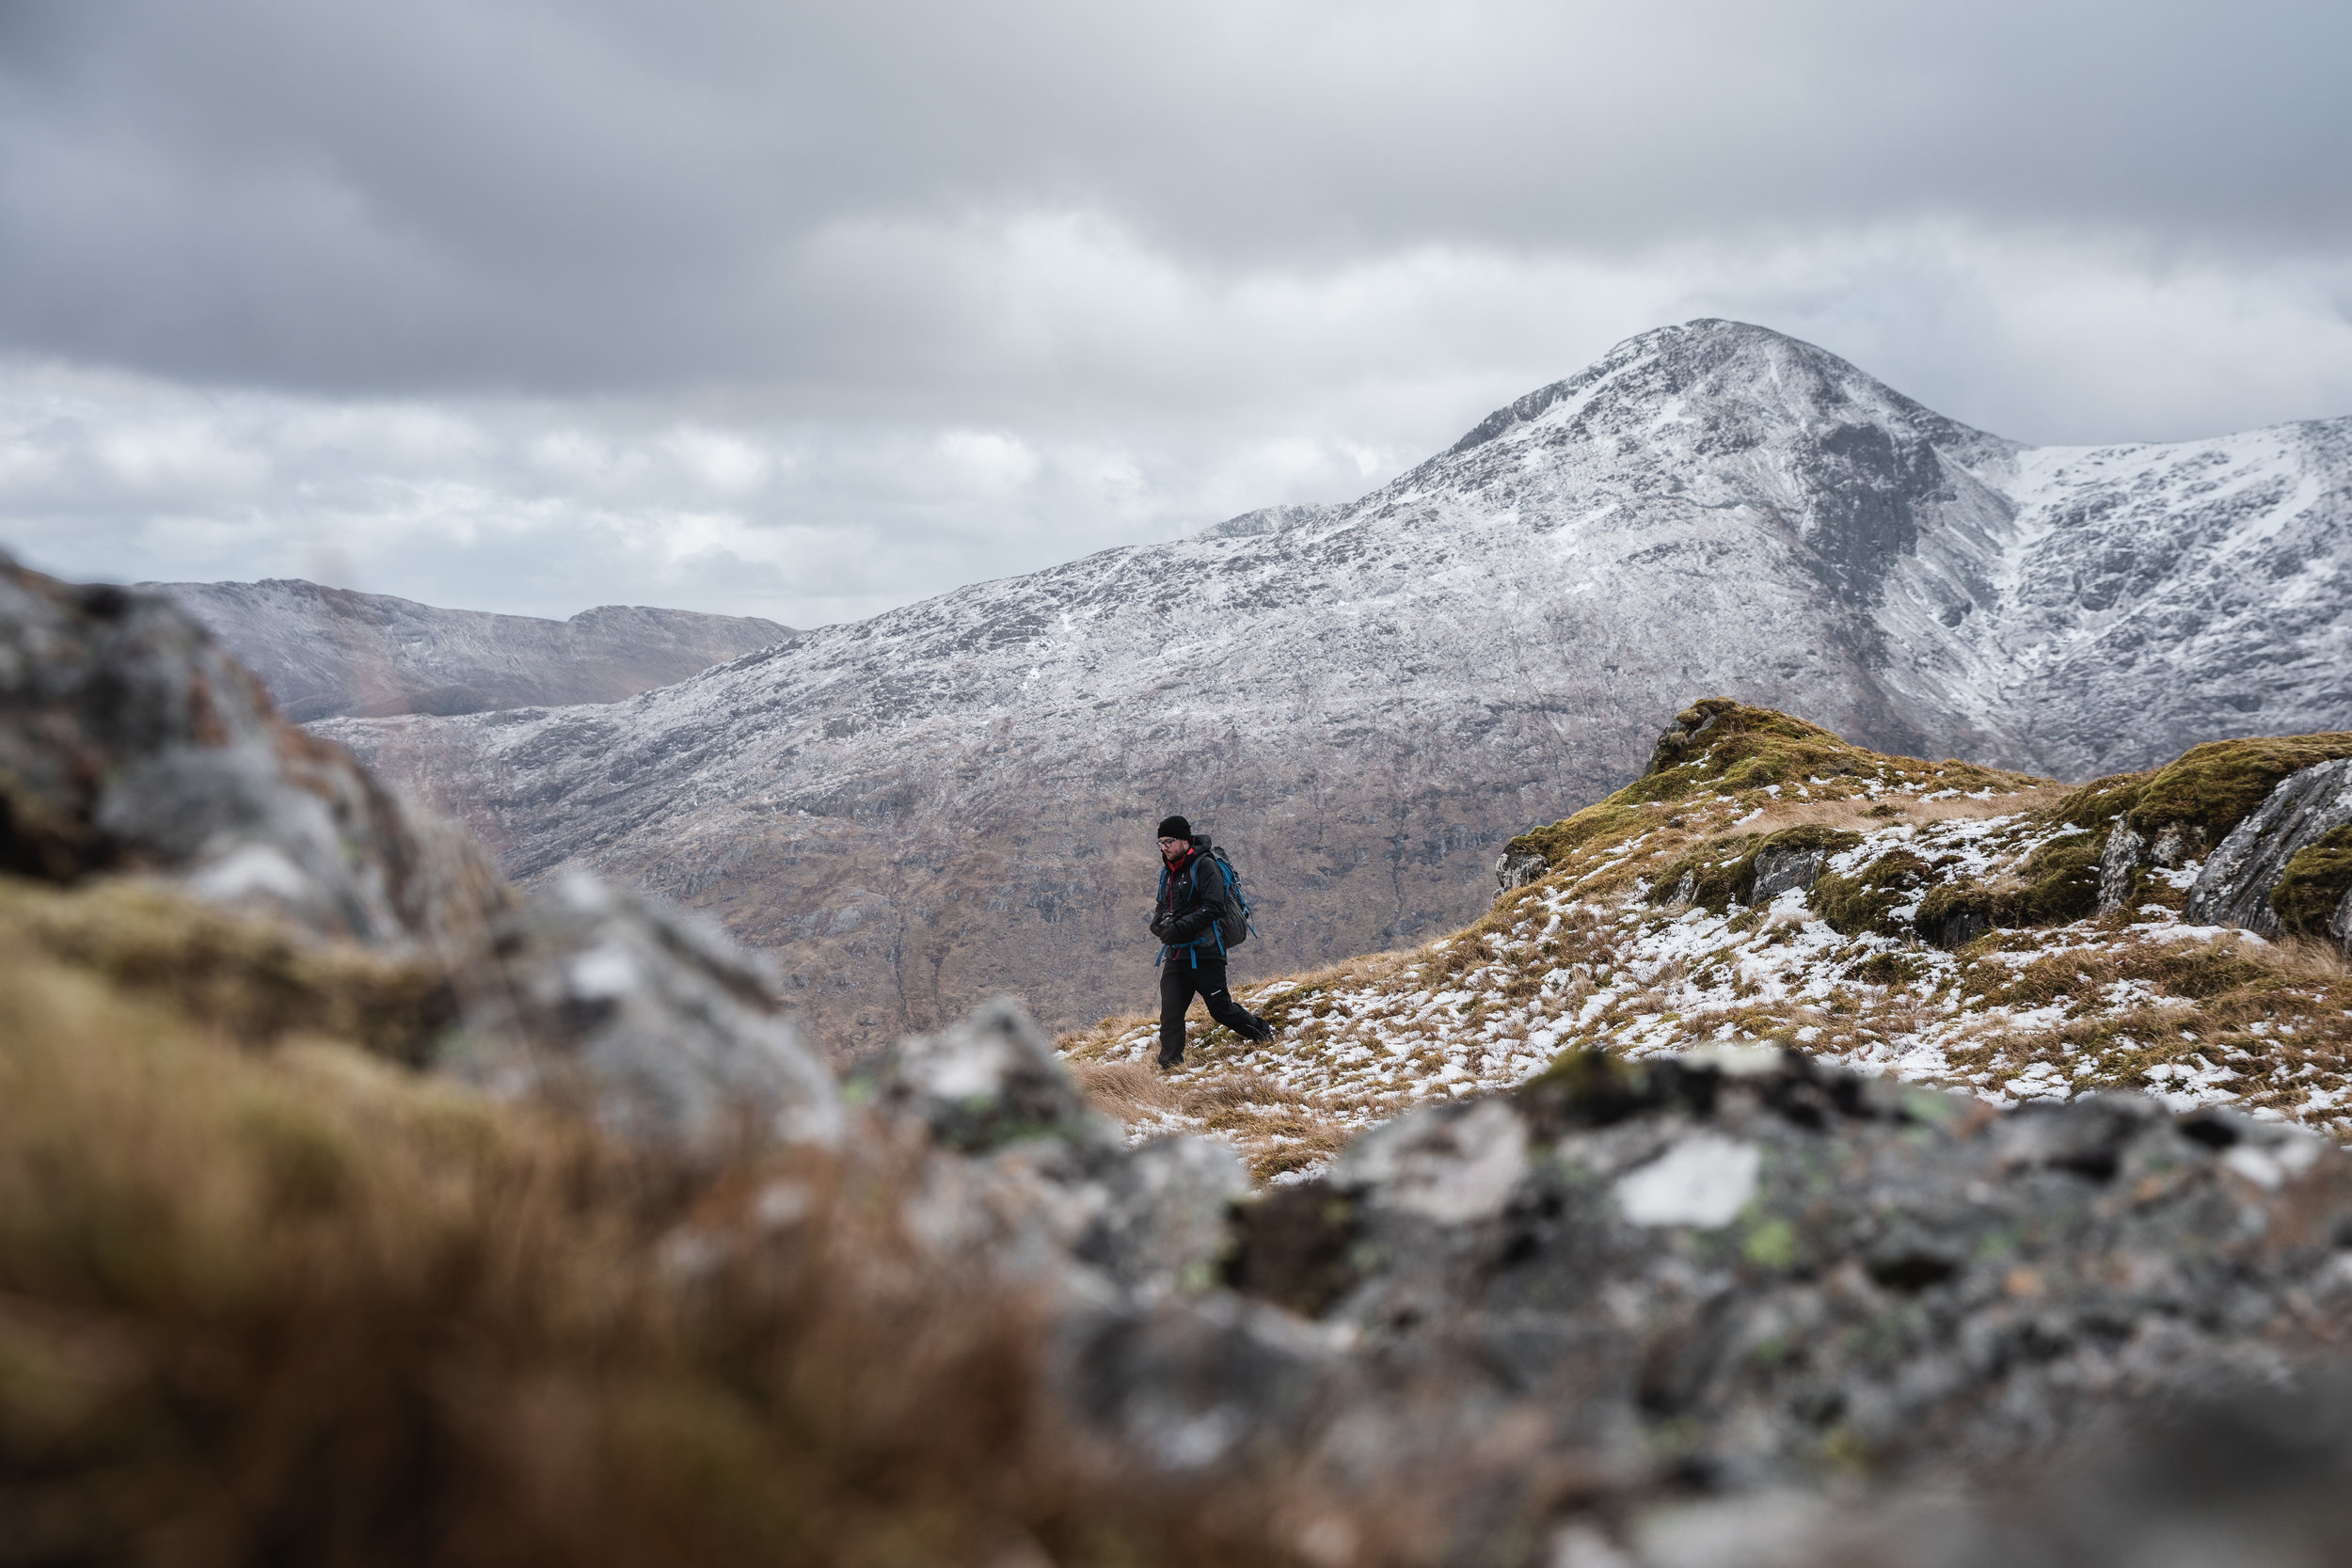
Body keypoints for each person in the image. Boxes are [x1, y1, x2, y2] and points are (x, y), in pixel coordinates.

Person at [1149, 815, 1274, 1068]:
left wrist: (1179, 928)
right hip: (1177, 954)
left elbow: (1213, 908)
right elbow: (1163, 905)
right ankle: (1170, 1065)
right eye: (1160, 842)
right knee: (1170, 1013)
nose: (1164, 847)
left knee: (1220, 1010)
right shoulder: (1168, 871)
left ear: (1184, 839)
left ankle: (1263, 1032)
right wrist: (1158, 924)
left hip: (1205, 952)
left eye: (1168, 841)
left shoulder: (1205, 865)